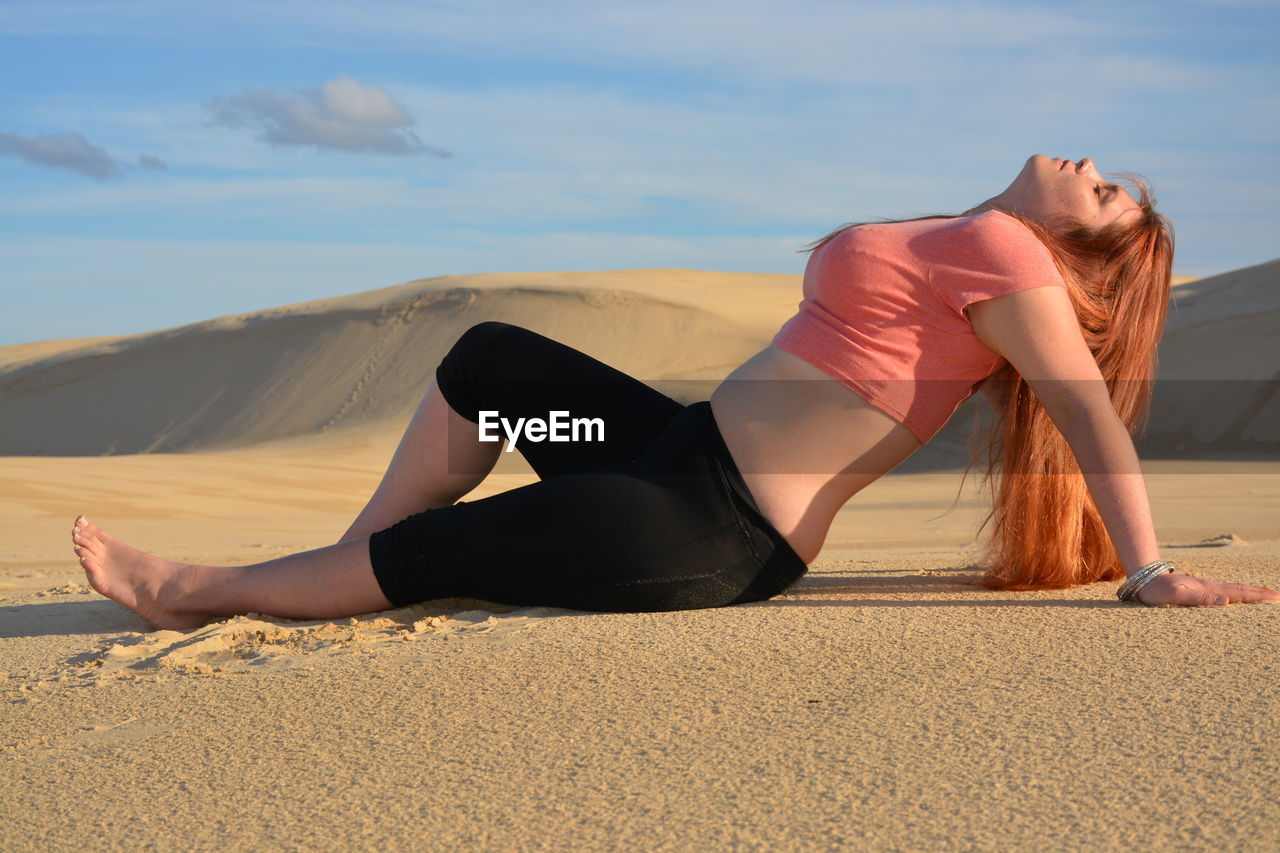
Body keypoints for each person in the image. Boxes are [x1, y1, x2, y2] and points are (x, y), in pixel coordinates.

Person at [70, 154, 1280, 629]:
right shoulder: (970, 235)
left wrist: (1145, 566)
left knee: (441, 551)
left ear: (1085, 258)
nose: (1092, 169)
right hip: (664, 450)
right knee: (490, 367)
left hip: (699, 529)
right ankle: (338, 566)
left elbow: (1079, 406)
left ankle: (199, 592)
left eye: (1109, 196)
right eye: (1112, 177)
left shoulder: (1013, 261)